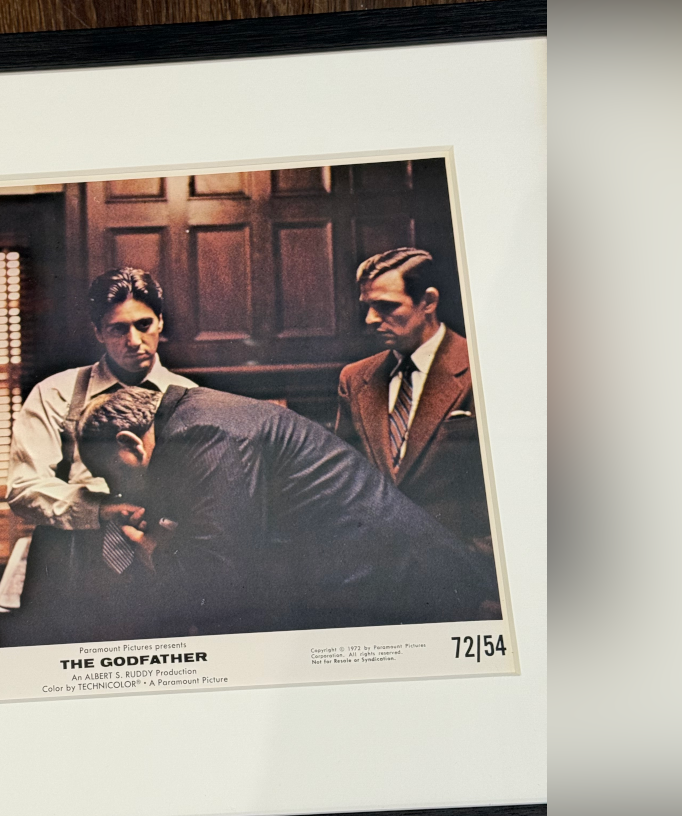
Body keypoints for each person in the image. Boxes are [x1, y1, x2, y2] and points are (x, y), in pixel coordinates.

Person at [76, 385, 500, 638]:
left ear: (130, 443)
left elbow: (222, 576)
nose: (121, 491)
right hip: (389, 584)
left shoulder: (200, 432)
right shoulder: (196, 417)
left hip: (412, 593)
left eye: (116, 477)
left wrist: (155, 549)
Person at [2, 268, 195, 633]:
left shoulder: (190, 397)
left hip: (160, 552)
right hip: (74, 555)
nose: (133, 340)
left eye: (143, 324)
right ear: (98, 332)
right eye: (117, 329)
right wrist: (100, 509)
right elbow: (23, 489)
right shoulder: (55, 394)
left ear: (160, 322)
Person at [336, 248, 492, 551]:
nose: (370, 319)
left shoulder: (483, 368)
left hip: (464, 564)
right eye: (368, 306)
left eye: (386, 306)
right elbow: (345, 483)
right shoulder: (354, 379)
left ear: (429, 302)